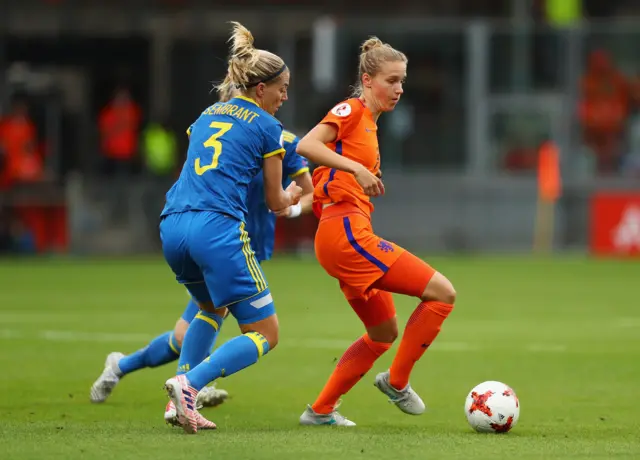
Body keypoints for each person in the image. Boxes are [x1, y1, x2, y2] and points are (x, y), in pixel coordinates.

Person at [89, 99, 314, 422]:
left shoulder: (280, 139)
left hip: (237, 245)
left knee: (200, 322)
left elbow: (310, 191)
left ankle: (136, 371)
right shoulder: (231, 125)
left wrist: (290, 208)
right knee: (200, 330)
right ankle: (181, 388)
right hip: (216, 240)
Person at [294, 37, 456, 426]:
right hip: (346, 234)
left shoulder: (368, 124)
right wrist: (357, 170)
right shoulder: (351, 111)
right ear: (367, 80)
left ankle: (320, 411)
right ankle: (397, 382)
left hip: (341, 233)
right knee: (443, 293)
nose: (399, 89)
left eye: (402, 81)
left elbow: (324, 176)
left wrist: (301, 199)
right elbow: (305, 145)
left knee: (383, 333)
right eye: (391, 80)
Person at [159, 21, 301, 434]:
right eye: (282, 87)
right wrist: (295, 196)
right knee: (266, 333)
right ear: (261, 89)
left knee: (210, 307)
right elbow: (274, 201)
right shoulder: (267, 126)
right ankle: (191, 383)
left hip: (172, 225)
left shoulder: (206, 114)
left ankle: (178, 403)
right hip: (215, 229)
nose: (285, 96)